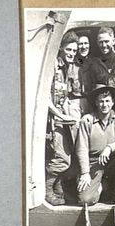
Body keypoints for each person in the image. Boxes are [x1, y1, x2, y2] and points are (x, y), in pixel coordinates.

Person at [76, 84, 115, 206]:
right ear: (96, 103)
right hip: (93, 163)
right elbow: (81, 148)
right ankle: (102, 186)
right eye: (101, 101)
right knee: (86, 200)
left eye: (107, 101)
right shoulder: (87, 120)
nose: (104, 105)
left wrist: (109, 148)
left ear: (113, 102)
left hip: (111, 161)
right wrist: (85, 173)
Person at [46, 31, 88, 206]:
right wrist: (60, 114)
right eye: (69, 49)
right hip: (53, 120)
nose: (72, 53)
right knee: (61, 158)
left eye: (74, 50)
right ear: (61, 48)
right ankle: (47, 190)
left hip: (62, 119)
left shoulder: (66, 68)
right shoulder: (53, 66)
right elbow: (44, 97)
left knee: (68, 156)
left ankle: (57, 189)